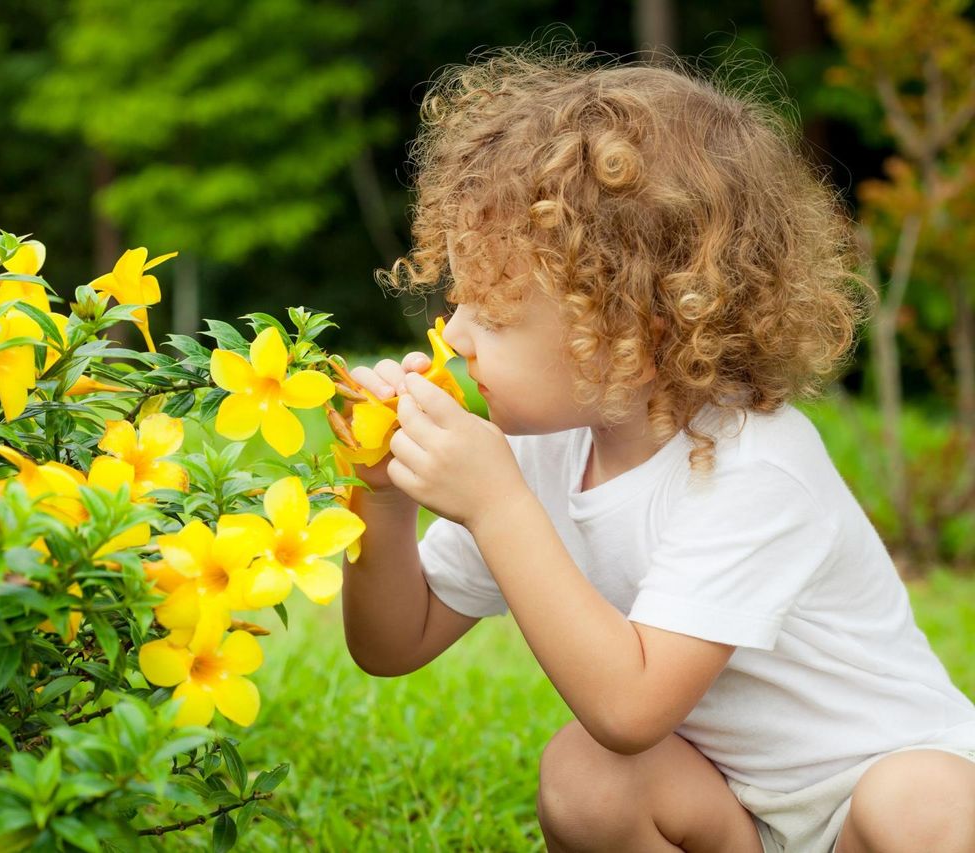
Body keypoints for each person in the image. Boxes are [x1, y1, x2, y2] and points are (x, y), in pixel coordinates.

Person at [341, 43, 975, 853]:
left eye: (493, 317)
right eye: (458, 297)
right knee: (585, 775)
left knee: (926, 800)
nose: (454, 333)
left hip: (875, 799)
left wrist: (496, 504)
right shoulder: (540, 447)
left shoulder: (757, 464)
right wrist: (384, 500)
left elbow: (633, 707)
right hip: (729, 811)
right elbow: (394, 643)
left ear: (633, 337)